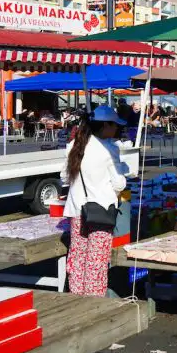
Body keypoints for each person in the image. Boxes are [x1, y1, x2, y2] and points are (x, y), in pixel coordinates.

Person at [62, 105, 128, 296]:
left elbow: (65, 178)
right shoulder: (108, 149)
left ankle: (76, 298)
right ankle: (94, 300)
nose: (116, 129)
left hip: (76, 209)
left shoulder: (74, 146)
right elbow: (119, 184)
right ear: (105, 125)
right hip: (100, 210)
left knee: (78, 257)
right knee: (96, 261)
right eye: (114, 125)